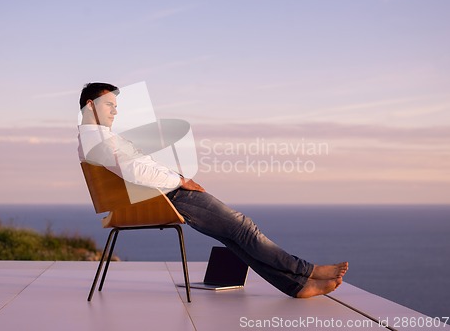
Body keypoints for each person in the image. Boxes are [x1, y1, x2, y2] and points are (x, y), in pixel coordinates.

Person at [77, 82, 348, 298]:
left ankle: (296, 286)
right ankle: (308, 271)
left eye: (116, 106)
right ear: (91, 105)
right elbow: (135, 171)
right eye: (109, 105)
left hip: (159, 195)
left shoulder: (93, 139)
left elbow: (132, 169)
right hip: (168, 196)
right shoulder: (98, 140)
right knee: (243, 228)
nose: (115, 111)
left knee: (234, 236)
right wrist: (180, 179)